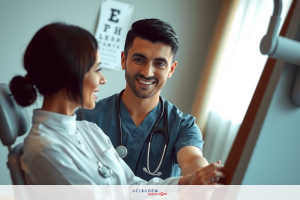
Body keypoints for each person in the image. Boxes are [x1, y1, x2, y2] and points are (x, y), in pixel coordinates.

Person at [10, 22, 225, 185]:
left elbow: (133, 187)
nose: (103, 80)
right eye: (97, 70)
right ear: (69, 74)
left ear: (171, 68)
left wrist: (187, 182)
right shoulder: (45, 150)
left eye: (159, 63)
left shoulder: (88, 130)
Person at [76, 19, 211, 181]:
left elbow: (192, 160)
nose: (147, 72)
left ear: (171, 69)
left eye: (159, 63)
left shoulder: (182, 125)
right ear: (124, 60)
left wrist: (203, 174)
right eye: (139, 60)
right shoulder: (86, 116)